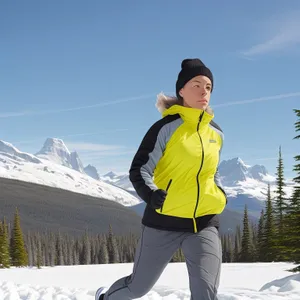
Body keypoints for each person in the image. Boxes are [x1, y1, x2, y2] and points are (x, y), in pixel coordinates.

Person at [95, 58, 227, 300]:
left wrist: (219, 192)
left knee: (206, 293)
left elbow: (212, 171)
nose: (203, 91)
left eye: (208, 87)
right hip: (163, 222)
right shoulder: (165, 128)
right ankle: (105, 297)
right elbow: (139, 169)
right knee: (137, 288)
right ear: (181, 90)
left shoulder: (216, 132)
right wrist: (152, 195)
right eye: (196, 85)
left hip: (204, 223)